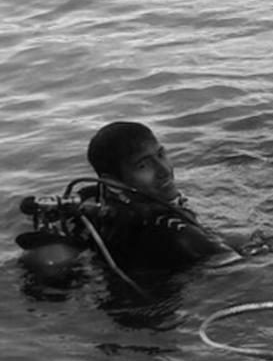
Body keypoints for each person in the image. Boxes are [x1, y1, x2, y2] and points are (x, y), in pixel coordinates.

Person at [16, 122, 240, 284]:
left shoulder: (91, 202)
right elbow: (241, 270)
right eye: (143, 166)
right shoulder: (177, 234)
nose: (163, 170)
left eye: (161, 154)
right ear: (113, 183)